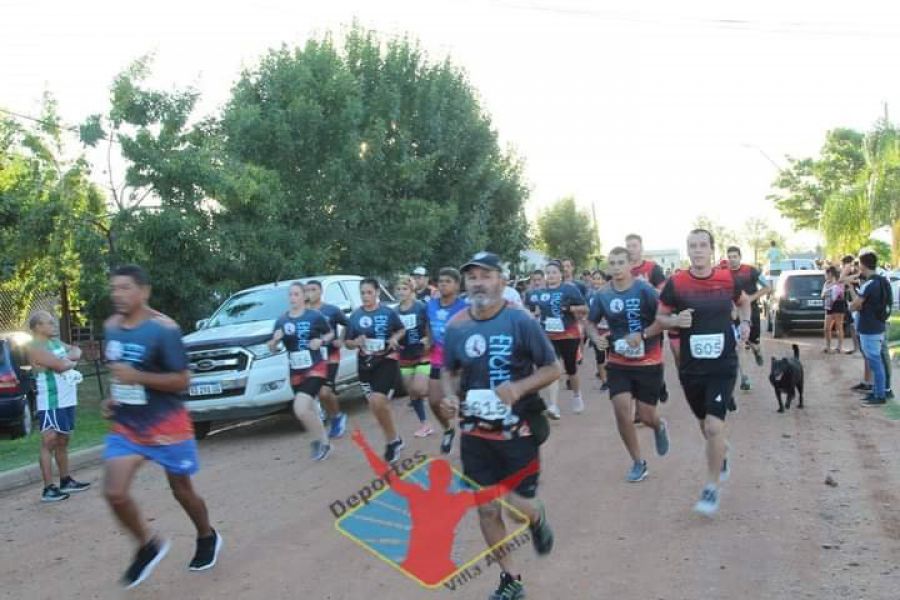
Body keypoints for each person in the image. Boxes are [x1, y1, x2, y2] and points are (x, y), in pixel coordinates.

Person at [441, 251, 560, 600]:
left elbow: (553, 369)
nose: (478, 282)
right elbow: (448, 371)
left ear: (502, 282)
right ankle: (511, 578)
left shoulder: (521, 321)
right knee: (487, 506)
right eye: (472, 276)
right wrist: (449, 397)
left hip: (518, 430)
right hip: (475, 433)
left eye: (486, 275)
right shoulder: (457, 325)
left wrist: (519, 388)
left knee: (513, 504)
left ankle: (536, 516)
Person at [102, 265, 221, 589]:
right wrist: (114, 398)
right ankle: (147, 544)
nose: (118, 294)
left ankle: (207, 535)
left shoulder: (164, 330)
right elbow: (121, 373)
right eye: (114, 288)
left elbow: (183, 380)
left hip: (168, 425)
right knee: (114, 492)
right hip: (128, 425)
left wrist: (137, 378)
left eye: (125, 288)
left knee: (181, 490)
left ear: (144, 291)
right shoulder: (111, 327)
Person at [654, 230, 751, 516]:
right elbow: (660, 318)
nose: (697, 251)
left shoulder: (727, 278)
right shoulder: (677, 283)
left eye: (702, 246)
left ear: (711, 249)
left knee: (713, 425)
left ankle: (711, 487)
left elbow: (744, 302)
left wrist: (745, 324)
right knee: (704, 424)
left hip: (723, 363)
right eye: (692, 246)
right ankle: (721, 451)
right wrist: (674, 319)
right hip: (691, 367)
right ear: (688, 250)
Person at [585, 248, 670, 483]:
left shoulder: (645, 291)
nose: (616, 267)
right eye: (612, 263)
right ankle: (638, 462)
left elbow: (662, 319)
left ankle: (658, 425)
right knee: (622, 412)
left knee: (645, 416)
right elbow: (590, 322)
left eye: (621, 262)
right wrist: (595, 337)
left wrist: (642, 335)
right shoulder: (603, 295)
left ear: (630, 265)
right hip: (618, 361)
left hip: (648, 360)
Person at [27, 310, 90, 502]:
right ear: (38, 326)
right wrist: (65, 362)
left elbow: (77, 350)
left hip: (67, 398)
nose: (54, 325)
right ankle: (48, 488)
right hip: (52, 400)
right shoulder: (35, 346)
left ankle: (65, 480)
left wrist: (65, 360)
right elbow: (61, 366)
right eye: (49, 323)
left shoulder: (55, 343)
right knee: (49, 442)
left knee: (64, 440)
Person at [267, 282, 334, 461]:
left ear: (304, 297)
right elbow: (272, 348)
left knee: (300, 408)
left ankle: (318, 441)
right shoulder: (282, 320)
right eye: (290, 295)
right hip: (296, 371)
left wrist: (321, 342)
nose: (292, 298)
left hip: (316, 367)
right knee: (310, 408)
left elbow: (330, 334)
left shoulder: (315, 316)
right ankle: (324, 442)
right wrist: (274, 342)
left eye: (296, 294)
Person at [345, 278, 407, 462]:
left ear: (377, 293)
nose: (365, 296)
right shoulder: (355, 316)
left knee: (379, 401)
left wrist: (395, 338)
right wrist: (355, 342)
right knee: (375, 406)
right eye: (362, 293)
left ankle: (391, 442)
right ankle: (394, 437)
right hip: (365, 364)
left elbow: (401, 330)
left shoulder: (387, 313)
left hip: (386, 360)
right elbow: (348, 342)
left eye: (369, 292)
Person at [524, 260, 588, 418]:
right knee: (554, 367)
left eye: (554, 272)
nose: (551, 275)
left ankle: (577, 395)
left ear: (561, 274)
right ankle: (553, 406)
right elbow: (529, 308)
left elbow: (585, 308)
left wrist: (570, 308)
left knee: (571, 368)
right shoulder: (540, 292)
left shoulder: (569, 289)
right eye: (549, 273)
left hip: (569, 334)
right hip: (549, 335)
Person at [425, 268, 469, 454]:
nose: (443, 284)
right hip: (437, 357)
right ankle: (448, 430)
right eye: (441, 281)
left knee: (461, 400)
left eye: (447, 281)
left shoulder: (464, 307)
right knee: (434, 401)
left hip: (458, 360)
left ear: (457, 285)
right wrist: (429, 340)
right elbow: (428, 324)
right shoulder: (431, 305)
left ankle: (469, 436)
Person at [626, 233, 672, 407]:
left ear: (641, 248)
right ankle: (638, 407)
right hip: (629, 321)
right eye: (628, 246)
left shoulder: (653, 268)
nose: (631, 249)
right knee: (633, 361)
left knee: (655, 358)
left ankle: (660, 383)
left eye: (634, 246)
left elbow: (665, 294)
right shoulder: (622, 269)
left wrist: (648, 286)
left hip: (652, 322)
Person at [304, 280, 349, 439]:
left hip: (331, 355)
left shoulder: (331, 310)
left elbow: (348, 324)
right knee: (318, 393)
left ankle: (337, 418)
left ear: (321, 291)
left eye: (313, 289)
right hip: (313, 359)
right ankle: (334, 415)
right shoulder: (302, 313)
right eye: (307, 290)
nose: (310, 292)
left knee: (325, 392)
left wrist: (341, 340)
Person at [848, 250, 892, 406]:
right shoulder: (881, 280)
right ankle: (877, 392)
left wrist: (850, 302)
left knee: (875, 362)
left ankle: (879, 395)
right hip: (878, 325)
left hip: (869, 328)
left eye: (860, 264)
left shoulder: (869, 284)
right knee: (876, 361)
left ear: (863, 265)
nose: (859, 267)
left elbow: (855, 305)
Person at [393, 276, 434, 438]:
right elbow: (393, 331)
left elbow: (430, 325)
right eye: (399, 289)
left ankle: (440, 393)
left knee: (419, 388)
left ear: (411, 291)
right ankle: (425, 424)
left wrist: (428, 339)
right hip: (404, 355)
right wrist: (394, 340)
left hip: (422, 353)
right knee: (412, 392)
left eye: (405, 289)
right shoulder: (394, 311)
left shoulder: (421, 307)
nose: (401, 292)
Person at [726, 246, 771, 390]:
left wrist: (751, 298)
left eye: (735, 256)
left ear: (740, 257)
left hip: (752, 311)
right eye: (730, 256)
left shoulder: (750, 270)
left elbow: (768, 287)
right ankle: (744, 378)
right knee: (739, 344)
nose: (732, 259)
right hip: (734, 313)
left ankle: (756, 350)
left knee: (752, 342)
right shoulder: (724, 274)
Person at [588, 269, 610, 390]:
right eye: (594, 278)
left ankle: (612, 376)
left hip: (610, 330)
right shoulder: (590, 294)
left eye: (599, 278)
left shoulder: (610, 293)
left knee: (611, 356)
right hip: (597, 331)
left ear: (604, 280)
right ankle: (604, 381)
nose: (596, 281)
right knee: (600, 356)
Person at [822, 267, 847, 353]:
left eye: (826, 274)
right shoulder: (826, 283)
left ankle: (839, 347)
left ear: (830, 274)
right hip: (828, 306)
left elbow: (842, 295)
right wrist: (825, 293)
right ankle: (828, 347)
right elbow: (822, 295)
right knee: (826, 328)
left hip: (838, 306)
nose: (825, 276)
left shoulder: (839, 282)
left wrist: (836, 288)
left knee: (839, 327)